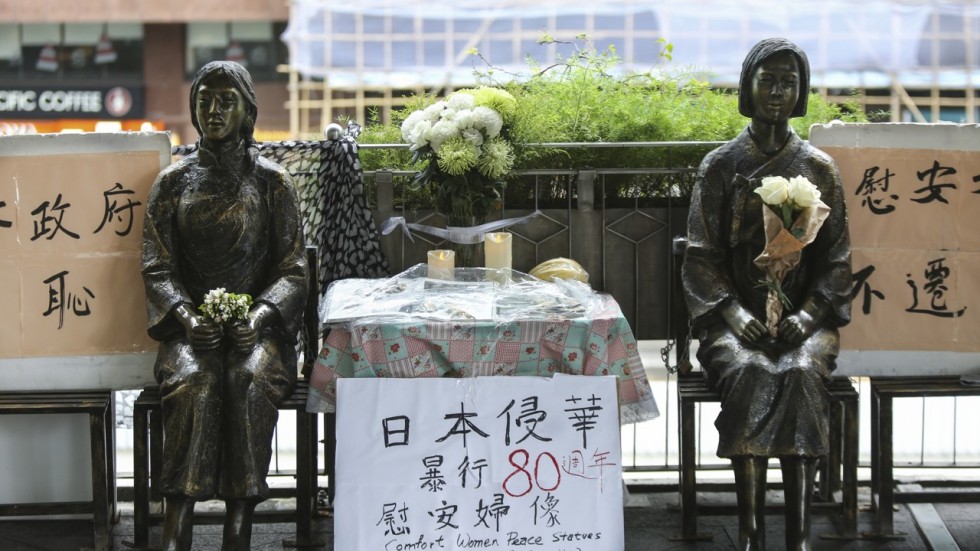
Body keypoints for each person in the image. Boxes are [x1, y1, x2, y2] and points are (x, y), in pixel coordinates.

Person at [682, 38, 852, 551]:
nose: (778, 92)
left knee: (800, 371)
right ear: (747, 86)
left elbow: (838, 261)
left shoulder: (819, 168)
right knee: (753, 370)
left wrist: (810, 314)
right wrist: (733, 314)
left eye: (789, 82)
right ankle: (753, 532)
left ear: (801, 93)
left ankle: (798, 534)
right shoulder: (720, 165)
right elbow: (699, 257)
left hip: (805, 319)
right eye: (768, 80)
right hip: (734, 322)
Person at [141, 61, 308, 551]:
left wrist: (258, 316)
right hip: (190, 332)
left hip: (260, 333)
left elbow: (294, 269)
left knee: (248, 378)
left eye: (227, 100)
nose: (214, 110)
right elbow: (156, 267)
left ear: (248, 110)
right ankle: (178, 519)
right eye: (205, 100)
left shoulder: (274, 183)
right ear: (193, 108)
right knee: (196, 379)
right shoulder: (172, 183)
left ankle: (240, 521)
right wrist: (187, 318)